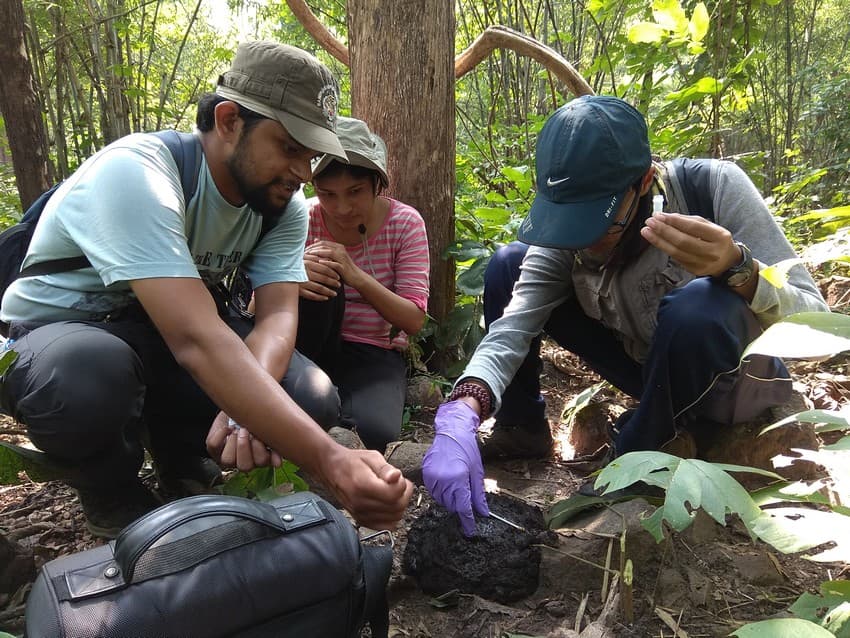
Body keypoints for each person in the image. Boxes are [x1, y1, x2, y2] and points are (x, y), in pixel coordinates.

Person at [0, 41, 412, 538]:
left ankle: (182, 457)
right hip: (65, 335)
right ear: (229, 121)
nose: (303, 172)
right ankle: (110, 488)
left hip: (164, 342)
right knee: (87, 375)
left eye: (312, 155)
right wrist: (329, 458)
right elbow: (196, 338)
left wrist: (246, 416)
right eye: (290, 148)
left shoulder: (281, 205)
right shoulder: (139, 173)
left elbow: (278, 319)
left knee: (307, 397)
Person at [422, 95, 829, 536]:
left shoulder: (714, 189)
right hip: (649, 369)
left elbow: (817, 327)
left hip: (730, 379)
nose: (585, 240)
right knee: (508, 263)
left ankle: (642, 451)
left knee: (699, 306)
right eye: (570, 222)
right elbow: (516, 322)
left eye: (600, 222)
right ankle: (522, 426)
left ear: (644, 181)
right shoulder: (567, 237)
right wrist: (465, 405)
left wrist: (740, 270)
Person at [295, 116, 430, 452]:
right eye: (327, 194)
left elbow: (413, 319)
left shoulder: (404, 224)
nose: (342, 208)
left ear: (376, 183)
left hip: (374, 351)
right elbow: (258, 302)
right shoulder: (301, 217)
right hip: (309, 342)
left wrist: (355, 274)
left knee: (375, 433)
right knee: (318, 273)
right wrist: (294, 275)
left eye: (355, 192)